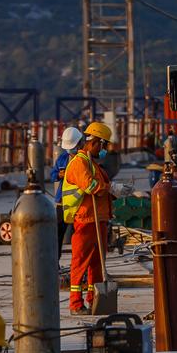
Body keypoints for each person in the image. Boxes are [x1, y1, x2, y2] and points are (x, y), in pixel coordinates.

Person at [62, 121, 115, 314]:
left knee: (97, 264)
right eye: (103, 145)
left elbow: (100, 186)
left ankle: (94, 300)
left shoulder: (92, 164)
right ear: (95, 142)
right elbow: (91, 186)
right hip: (86, 220)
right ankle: (75, 304)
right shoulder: (79, 163)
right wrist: (110, 188)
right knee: (80, 263)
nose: (103, 149)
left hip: (98, 219)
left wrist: (115, 192)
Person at [49, 126, 84, 248]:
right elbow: (52, 175)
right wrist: (59, 174)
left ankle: (78, 263)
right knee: (59, 232)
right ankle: (55, 261)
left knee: (79, 234)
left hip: (80, 202)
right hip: (63, 202)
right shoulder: (62, 159)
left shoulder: (84, 159)